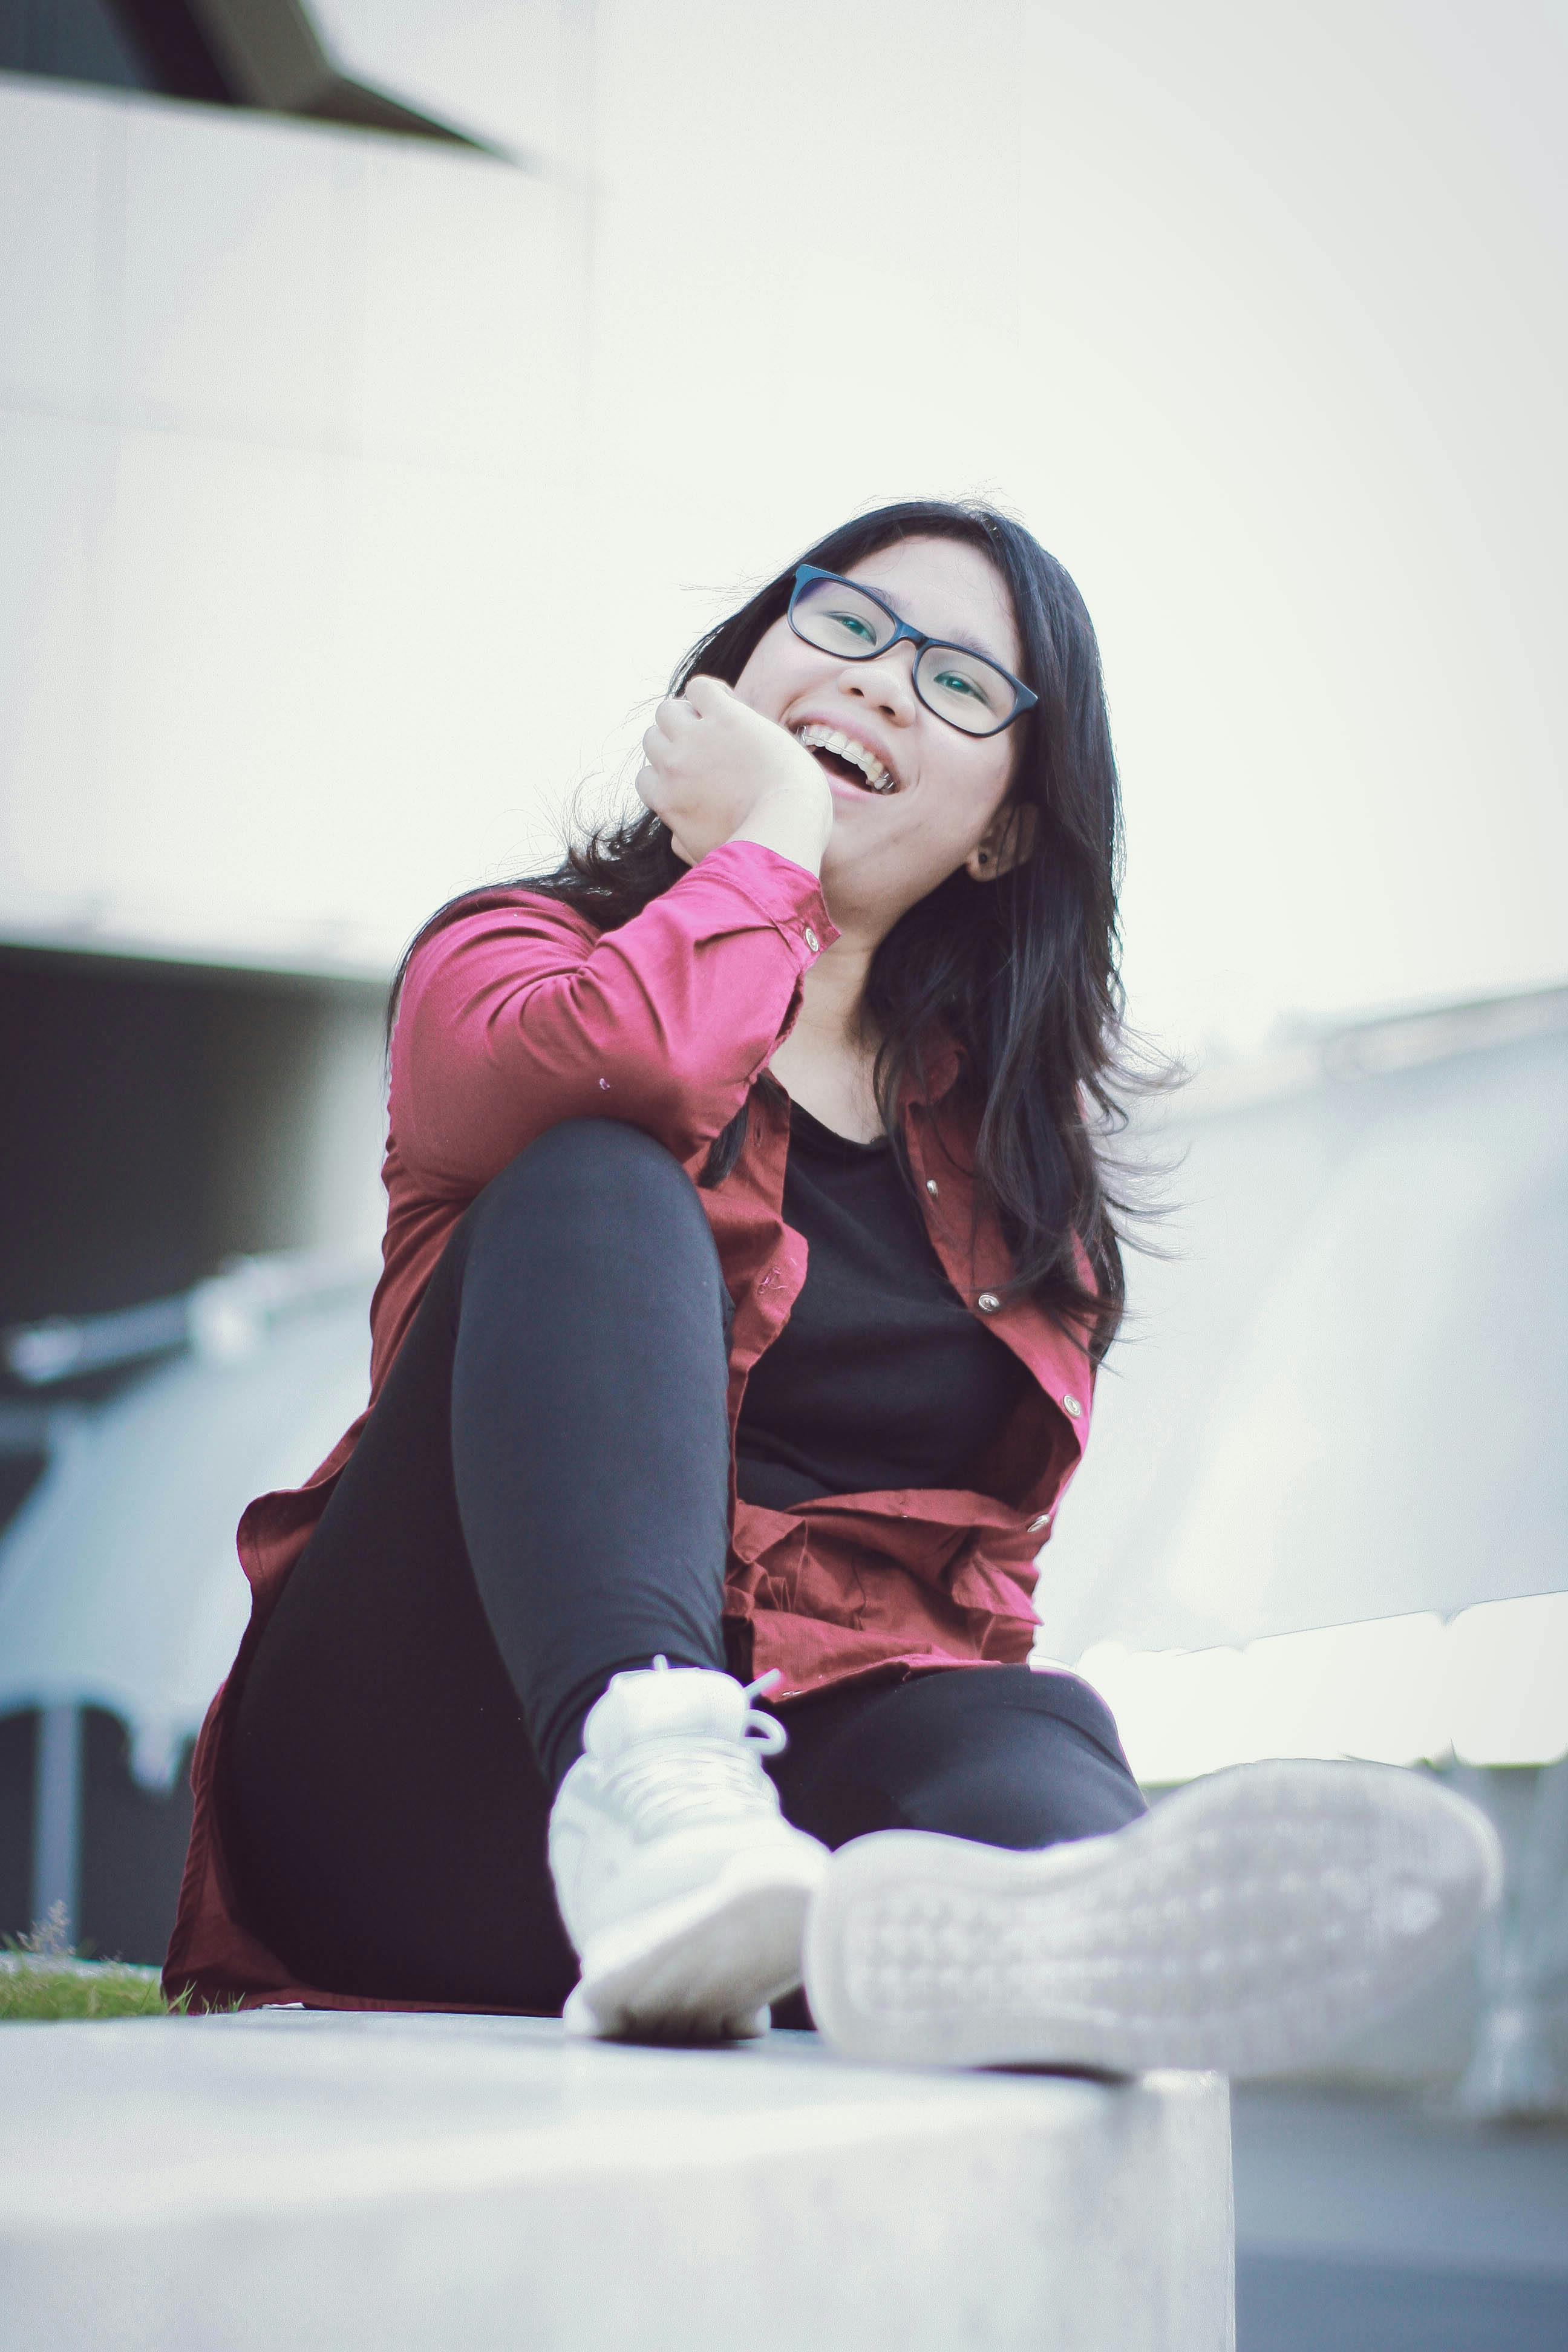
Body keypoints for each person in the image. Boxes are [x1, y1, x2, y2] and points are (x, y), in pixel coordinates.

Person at [165, 500, 1498, 2069]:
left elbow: (970, 1589)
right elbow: (634, 1068)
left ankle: (1059, 1923)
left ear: (1004, 829)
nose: (879, 679)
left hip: (765, 1864)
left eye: (955, 680)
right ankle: (667, 1804)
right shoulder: (512, 957)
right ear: (738, 683)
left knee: (1031, 1726)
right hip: (419, 1789)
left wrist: (980, 1778)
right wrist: (772, 849)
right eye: (848, 626)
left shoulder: (1014, 1168)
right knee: (600, 1183)